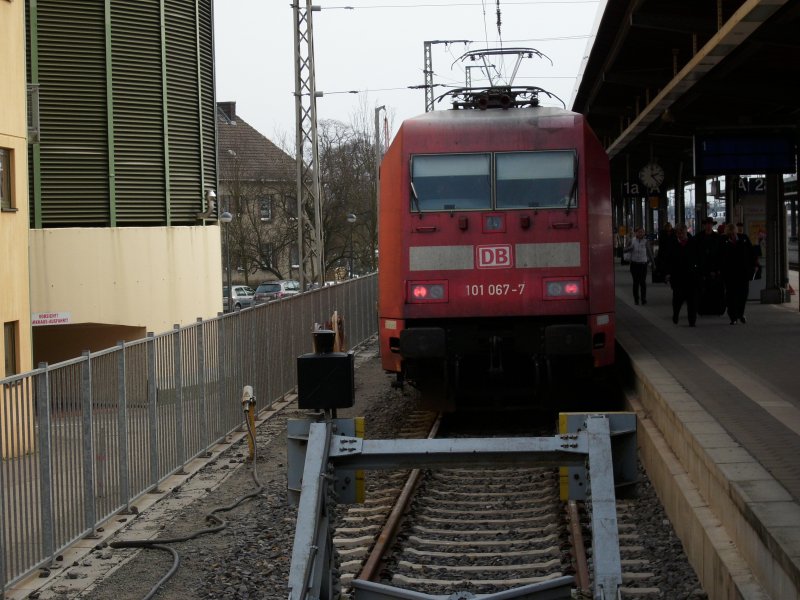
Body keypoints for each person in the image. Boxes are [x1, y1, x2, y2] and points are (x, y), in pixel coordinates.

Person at [662, 223, 700, 326]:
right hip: (677, 277)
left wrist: (698, 272)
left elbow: (699, 258)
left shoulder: (693, 242)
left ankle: (692, 321)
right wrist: (667, 273)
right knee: (677, 300)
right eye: (678, 233)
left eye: (682, 233)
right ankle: (676, 314)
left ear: (686, 232)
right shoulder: (672, 244)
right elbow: (667, 260)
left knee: (692, 301)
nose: (680, 235)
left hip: (691, 277)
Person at [721, 222, 756, 324]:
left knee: (743, 295)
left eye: (733, 234)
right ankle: (733, 317)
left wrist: (754, 265)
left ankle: (740, 314)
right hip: (730, 274)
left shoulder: (744, 238)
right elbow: (720, 256)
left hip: (743, 273)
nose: (731, 236)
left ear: (736, 232)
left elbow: (751, 253)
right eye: (729, 234)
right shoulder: (723, 241)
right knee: (731, 296)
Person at [695, 216, 724, 316]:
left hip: (715, 268)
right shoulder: (698, 237)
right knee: (702, 290)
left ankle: (715, 310)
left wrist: (718, 268)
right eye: (707, 224)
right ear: (704, 225)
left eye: (710, 224)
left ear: (712, 225)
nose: (708, 226)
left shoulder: (718, 238)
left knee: (715, 290)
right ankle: (703, 310)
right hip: (702, 268)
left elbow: (721, 253)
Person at [623, 227, 655, 305]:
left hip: (643, 265)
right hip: (634, 265)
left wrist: (653, 263)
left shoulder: (646, 242)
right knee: (636, 282)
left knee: (643, 282)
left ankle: (643, 299)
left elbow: (650, 253)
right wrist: (630, 248)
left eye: (642, 232)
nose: (641, 233)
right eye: (639, 232)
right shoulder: (632, 240)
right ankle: (636, 299)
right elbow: (624, 250)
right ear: (635, 233)